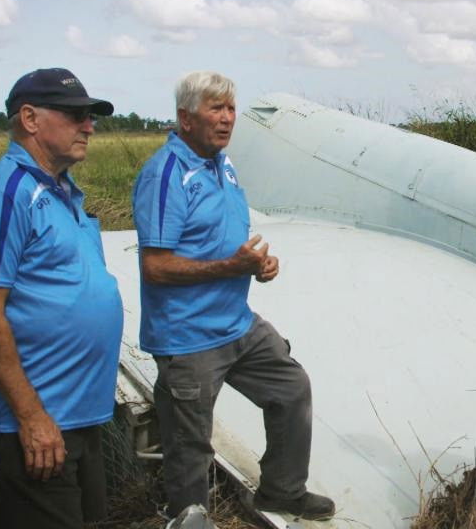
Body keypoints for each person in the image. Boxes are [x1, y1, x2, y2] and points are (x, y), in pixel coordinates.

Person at [132, 71, 335, 523]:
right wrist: (231, 267)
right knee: (190, 446)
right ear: (185, 118)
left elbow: (224, 244)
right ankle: (190, 519)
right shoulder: (167, 174)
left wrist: (259, 266)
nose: (226, 119)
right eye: (214, 109)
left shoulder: (223, 164)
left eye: (230, 109)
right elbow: (156, 266)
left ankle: (281, 490)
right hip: (188, 337)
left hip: (237, 323)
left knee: (291, 389)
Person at [0, 68, 124, 528]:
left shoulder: (59, 191)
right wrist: (31, 418)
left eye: (90, 116)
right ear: (29, 118)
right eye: (74, 115)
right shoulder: (5, 196)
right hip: (42, 422)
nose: (89, 126)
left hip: (78, 414)